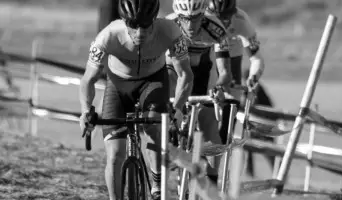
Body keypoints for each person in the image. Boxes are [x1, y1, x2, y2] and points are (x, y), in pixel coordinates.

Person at [78, 0, 194, 199]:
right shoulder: (108, 35)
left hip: (153, 82)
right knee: (115, 155)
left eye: (146, 26)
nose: (140, 32)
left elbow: (185, 75)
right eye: (133, 25)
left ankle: (157, 185)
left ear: (155, 21)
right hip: (118, 86)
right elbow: (88, 79)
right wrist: (86, 111)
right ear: (124, 20)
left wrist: (178, 109)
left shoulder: (171, 31)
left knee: (154, 127)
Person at [165, 0, 259, 186]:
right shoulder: (167, 25)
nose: (191, 25)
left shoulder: (216, 27)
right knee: (166, 106)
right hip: (172, 69)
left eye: (196, 19)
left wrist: (217, 88)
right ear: (178, 16)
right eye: (185, 19)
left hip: (202, 73)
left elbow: (225, 72)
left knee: (210, 129)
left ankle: (212, 182)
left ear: (204, 15)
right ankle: (170, 142)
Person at [207, 0, 268, 177]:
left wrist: (252, 78)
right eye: (219, 17)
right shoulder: (202, 16)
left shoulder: (242, 20)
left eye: (227, 18)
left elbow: (257, 59)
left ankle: (213, 175)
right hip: (207, 57)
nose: (223, 22)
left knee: (226, 127)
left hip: (232, 59)